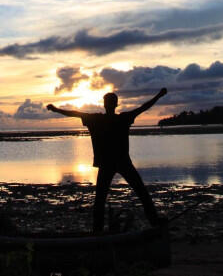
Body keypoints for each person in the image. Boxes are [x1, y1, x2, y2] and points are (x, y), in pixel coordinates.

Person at [47, 87, 168, 233]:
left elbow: (74, 113)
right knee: (139, 193)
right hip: (117, 163)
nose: (109, 104)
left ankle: (98, 230)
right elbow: (143, 107)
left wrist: (56, 109)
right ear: (114, 105)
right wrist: (158, 96)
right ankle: (153, 221)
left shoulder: (99, 119)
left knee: (103, 199)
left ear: (106, 105)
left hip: (114, 163)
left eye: (108, 102)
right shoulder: (117, 118)